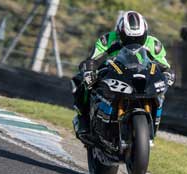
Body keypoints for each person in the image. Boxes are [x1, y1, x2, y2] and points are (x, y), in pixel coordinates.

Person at [71, 10, 175, 141]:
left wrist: (168, 74)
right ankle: (83, 121)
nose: (133, 41)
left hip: (140, 75)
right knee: (82, 80)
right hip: (113, 73)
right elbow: (92, 59)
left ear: (145, 33)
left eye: (138, 38)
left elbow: (165, 66)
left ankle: (150, 125)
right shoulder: (107, 40)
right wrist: (89, 70)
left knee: (161, 90)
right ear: (120, 33)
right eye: (129, 38)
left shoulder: (154, 44)